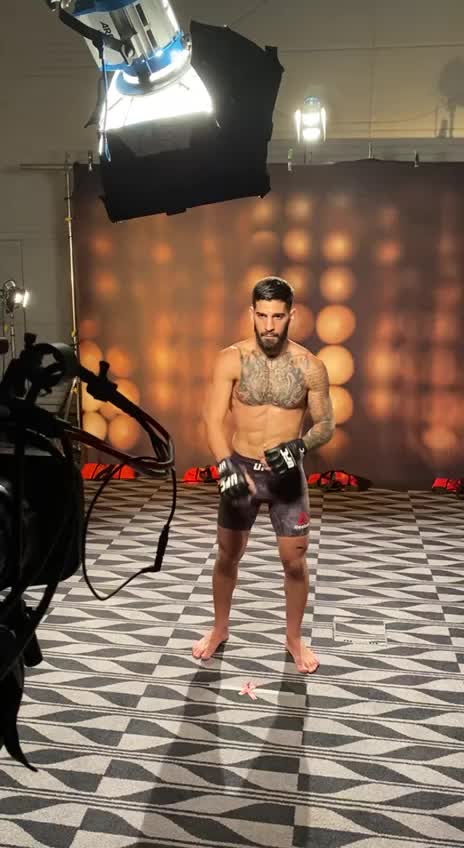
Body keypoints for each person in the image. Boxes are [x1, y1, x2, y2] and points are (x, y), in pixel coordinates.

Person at [192, 277, 335, 673]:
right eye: (262, 316)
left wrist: (299, 447)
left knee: (294, 561)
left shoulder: (310, 366)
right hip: (240, 468)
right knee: (227, 554)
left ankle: (293, 638)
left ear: (292, 315)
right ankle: (220, 628)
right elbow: (211, 419)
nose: (269, 325)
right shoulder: (231, 359)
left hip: (286, 475)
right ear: (251, 314)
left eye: (278, 316)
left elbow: (325, 424)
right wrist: (224, 465)